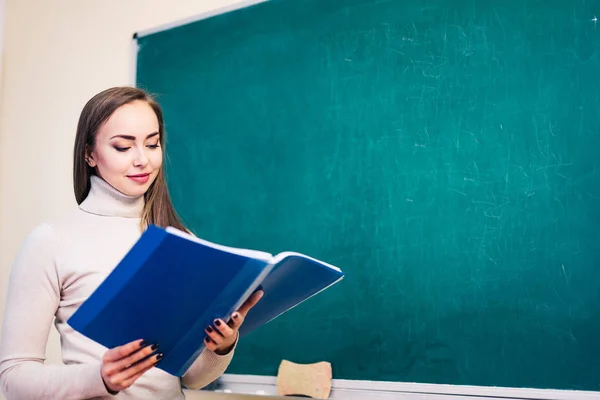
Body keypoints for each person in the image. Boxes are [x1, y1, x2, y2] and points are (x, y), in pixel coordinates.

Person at [0, 86, 263, 399]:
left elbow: (191, 379)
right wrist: (99, 378)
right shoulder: (51, 242)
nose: (143, 160)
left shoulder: (181, 241)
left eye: (152, 144)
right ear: (89, 153)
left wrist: (221, 347)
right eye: (123, 147)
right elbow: (12, 379)